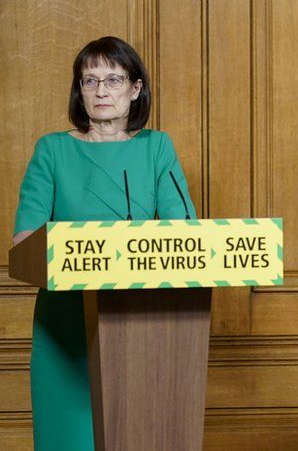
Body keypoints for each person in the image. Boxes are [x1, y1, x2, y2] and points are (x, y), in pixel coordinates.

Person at [12, 36, 196, 451]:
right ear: (79, 91)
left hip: (143, 323)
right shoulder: (52, 150)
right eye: (89, 81)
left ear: (135, 89)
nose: (101, 91)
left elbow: (186, 234)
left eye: (113, 79)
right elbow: (25, 242)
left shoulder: (157, 147)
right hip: (66, 324)